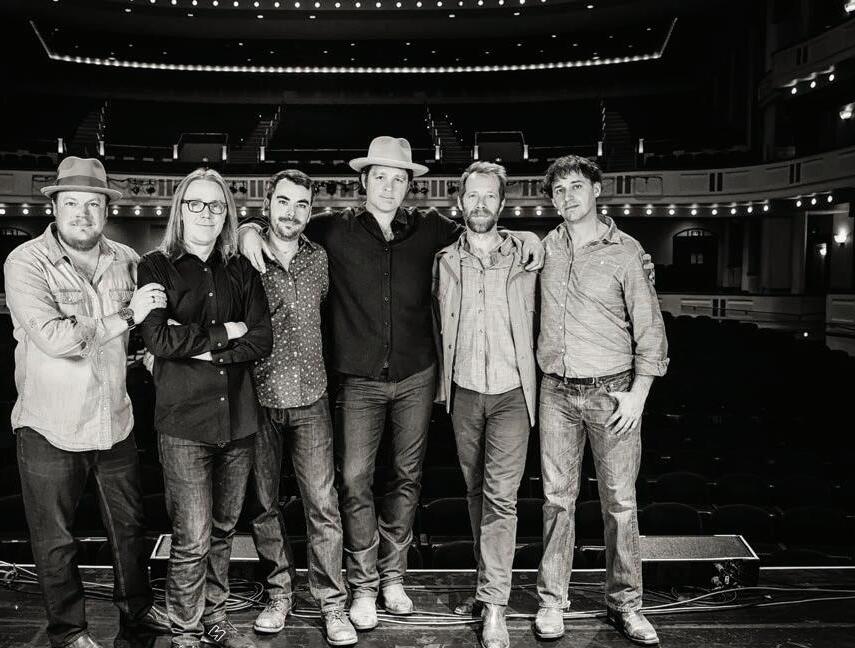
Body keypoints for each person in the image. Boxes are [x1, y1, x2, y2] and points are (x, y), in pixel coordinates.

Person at [238, 136, 544, 631]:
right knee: (354, 479)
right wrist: (248, 229)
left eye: (398, 178)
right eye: (379, 176)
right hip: (357, 380)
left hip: (416, 375)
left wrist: (525, 235)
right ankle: (362, 585)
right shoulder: (331, 229)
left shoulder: (432, 229)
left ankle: (392, 577)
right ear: (364, 181)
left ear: (408, 186)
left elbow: (483, 228)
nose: (388, 186)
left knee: (406, 478)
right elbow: (282, 224)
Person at [3, 156, 169, 648]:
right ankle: (69, 631)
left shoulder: (126, 259)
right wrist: (127, 316)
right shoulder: (25, 262)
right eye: (72, 203)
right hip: (49, 426)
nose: (83, 213)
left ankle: (138, 616)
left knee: (130, 530)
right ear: (54, 207)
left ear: (105, 209)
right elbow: (56, 338)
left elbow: (160, 309)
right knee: (55, 540)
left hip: (113, 421)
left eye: (93, 204)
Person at [534, 155, 669, 646]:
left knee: (621, 503)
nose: (567, 197)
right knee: (556, 500)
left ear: (596, 189)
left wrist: (638, 396)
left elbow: (650, 329)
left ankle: (626, 605)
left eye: (576, 186)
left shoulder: (627, 252)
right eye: (558, 190)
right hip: (556, 390)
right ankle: (553, 601)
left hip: (612, 393)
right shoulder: (544, 247)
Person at [137, 168, 272, 648]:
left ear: (227, 214)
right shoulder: (155, 266)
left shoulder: (241, 269)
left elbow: (261, 340)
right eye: (196, 203)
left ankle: (215, 616)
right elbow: (157, 338)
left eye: (216, 205)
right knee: (191, 535)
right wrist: (225, 334)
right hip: (184, 424)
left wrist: (197, 348)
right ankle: (185, 629)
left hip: (238, 420)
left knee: (223, 530)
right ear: (181, 210)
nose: (206, 213)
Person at [247, 169, 357, 646]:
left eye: (301, 204)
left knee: (323, 505)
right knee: (264, 506)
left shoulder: (319, 258)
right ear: (268, 204)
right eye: (284, 202)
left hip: (311, 397)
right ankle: (279, 595)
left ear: (310, 211)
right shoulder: (245, 255)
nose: (291, 212)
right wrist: (247, 230)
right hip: (258, 398)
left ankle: (332, 603)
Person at [432, 162, 537, 648]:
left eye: (489, 196)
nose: (480, 204)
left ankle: (495, 606)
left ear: (502, 202)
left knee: (501, 498)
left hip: (513, 393)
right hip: (465, 391)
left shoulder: (526, 255)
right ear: (460, 201)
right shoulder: (442, 260)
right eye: (472, 196)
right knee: (475, 492)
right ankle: (484, 589)